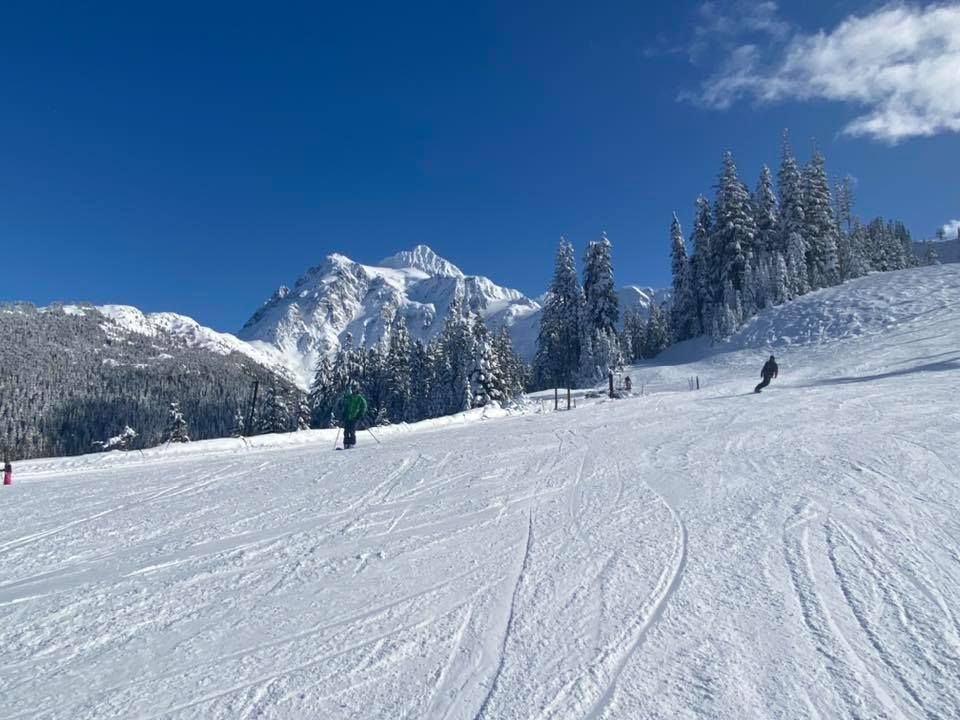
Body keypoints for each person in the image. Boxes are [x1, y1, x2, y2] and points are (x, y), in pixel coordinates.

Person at [339, 382, 368, 449]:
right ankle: (346, 443)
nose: (353, 390)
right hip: (347, 416)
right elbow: (346, 406)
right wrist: (343, 414)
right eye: (353, 389)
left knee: (352, 430)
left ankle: (352, 443)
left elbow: (364, 406)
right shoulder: (349, 397)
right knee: (346, 431)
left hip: (355, 417)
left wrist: (360, 414)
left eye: (355, 389)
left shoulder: (360, 398)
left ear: (357, 389)